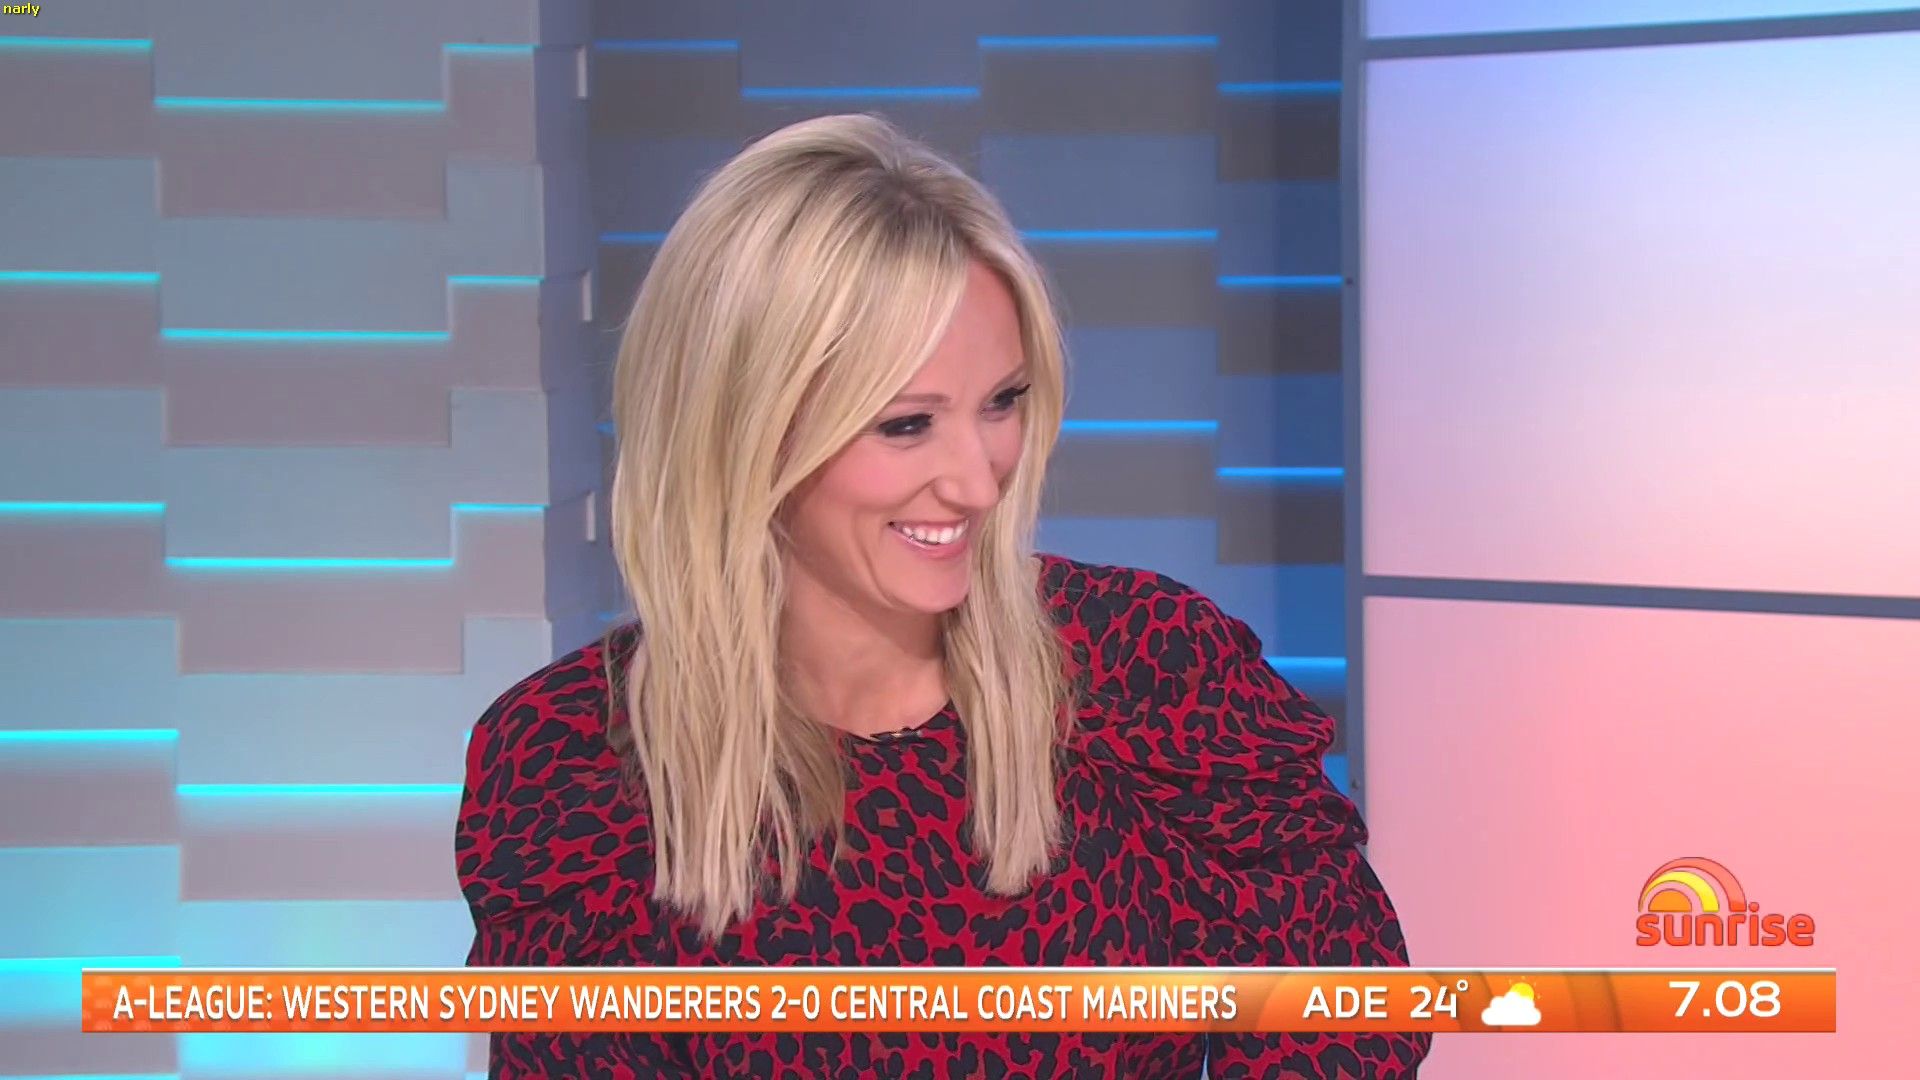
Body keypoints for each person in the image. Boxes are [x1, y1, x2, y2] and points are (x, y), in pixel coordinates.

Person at [456, 112, 1428, 1079]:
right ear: (744, 432)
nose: (976, 482)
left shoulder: (1149, 668)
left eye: (1002, 403)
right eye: (908, 425)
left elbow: (1344, 1016)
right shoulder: (572, 753)